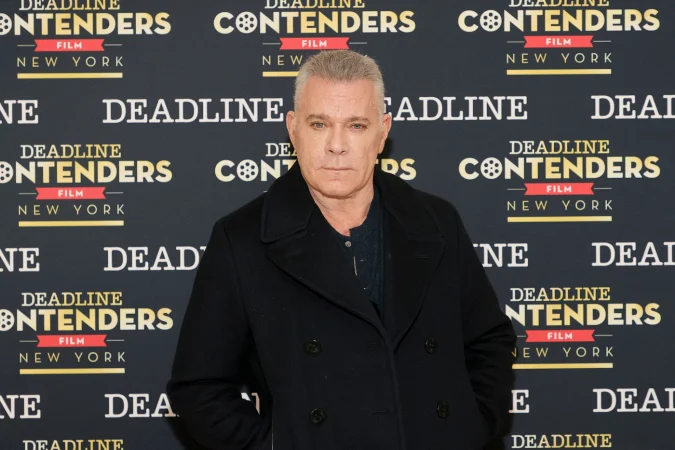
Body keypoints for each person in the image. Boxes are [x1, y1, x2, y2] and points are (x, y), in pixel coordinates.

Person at [167, 49, 516, 450]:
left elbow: (488, 340)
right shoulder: (242, 239)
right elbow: (199, 388)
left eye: (356, 125)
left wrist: (470, 428)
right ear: (293, 129)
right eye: (319, 124)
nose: (336, 145)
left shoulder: (437, 222)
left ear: (382, 133)